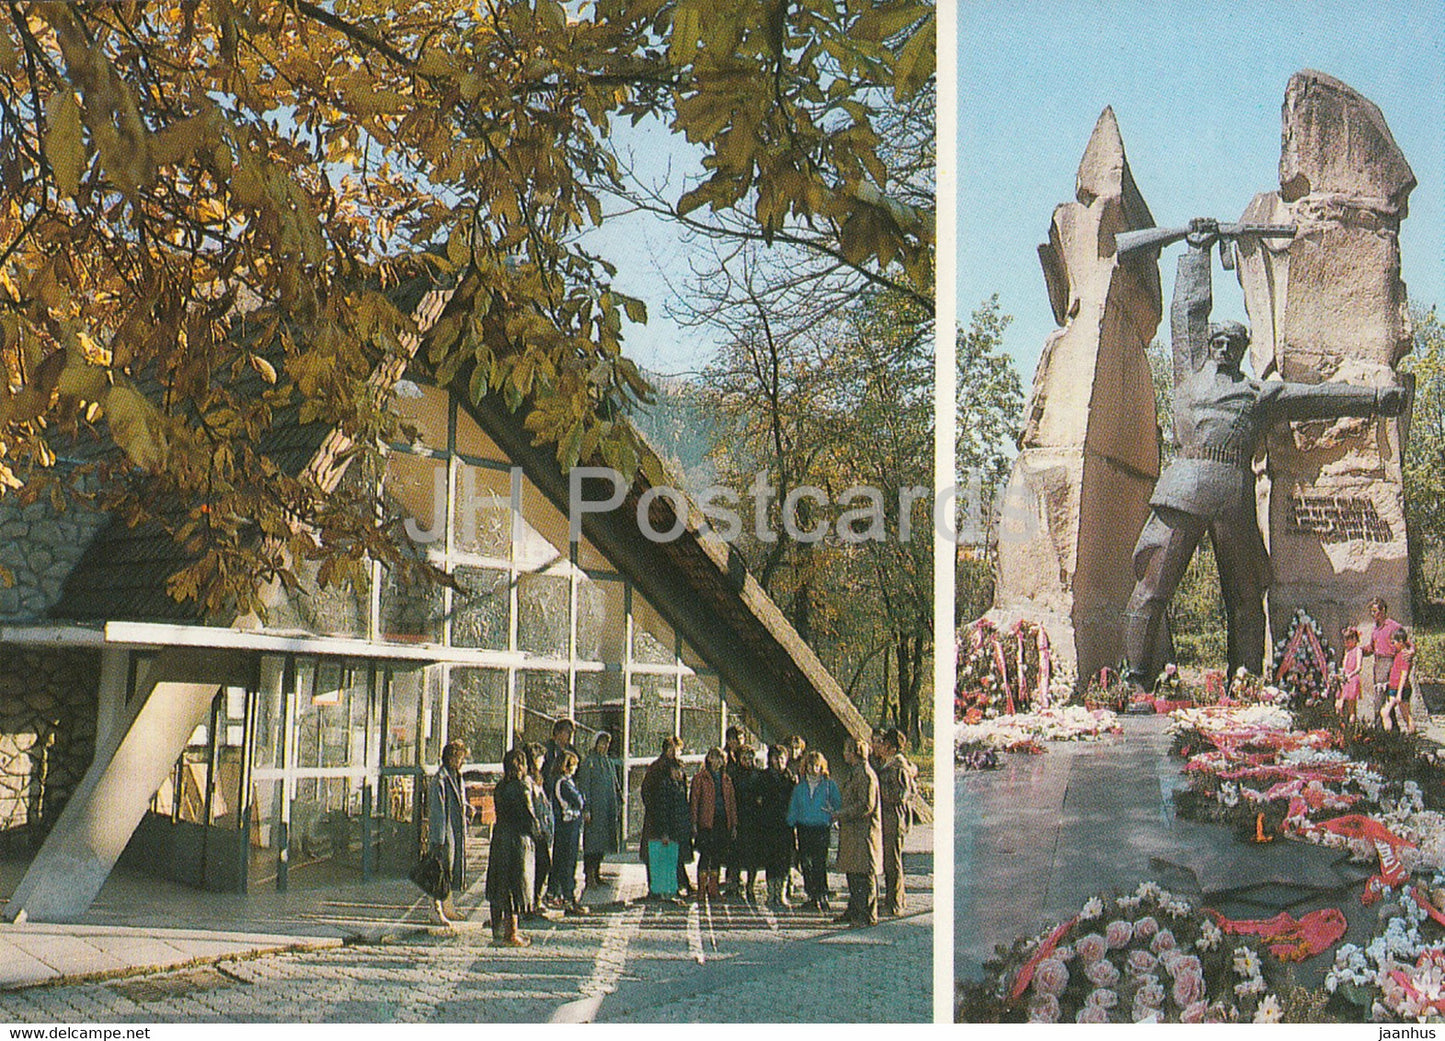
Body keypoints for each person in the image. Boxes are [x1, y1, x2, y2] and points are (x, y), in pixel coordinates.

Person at [1122, 218, 1406, 686]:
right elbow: (1187, 313)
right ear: (1209, 345)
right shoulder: (1190, 373)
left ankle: (1247, 678)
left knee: (1246, 594)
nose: (1225, 348)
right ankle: (1134, 678)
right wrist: (1196, 252)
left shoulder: (1258, 394)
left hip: (1233, 495)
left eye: (1234, 343)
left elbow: (1314, 397)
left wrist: (1375, 400)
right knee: (1152, 587)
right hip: (1186, 489)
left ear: (1243, 348)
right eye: (1218, 341)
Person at [486, 748, 537, 946]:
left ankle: (497, 930)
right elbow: (529, 818)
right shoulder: (522, 787)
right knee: (515, 887)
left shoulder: (500, 786)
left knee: (500, 886)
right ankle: (511, 933)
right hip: (517, 842)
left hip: (500, 838)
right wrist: (540, 835)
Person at [835, 737, 881, 927]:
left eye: (847, 750)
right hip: (853, 832)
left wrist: (841, 814)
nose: (844, 754)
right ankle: (854, 909)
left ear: (855, 753)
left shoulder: (865, 775)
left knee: (863, 874)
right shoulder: (855, 773)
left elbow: (866, 805)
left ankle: (865, 915)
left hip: (863, 833)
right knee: (853, 873)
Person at [786, 749, 840, 911]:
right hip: (804, 827)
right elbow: (794, 806)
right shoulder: (800, 786)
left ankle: (821, 894)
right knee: (806, 863)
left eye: (816, 765)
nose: (813, 769)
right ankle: (811, 895)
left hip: (821, 827)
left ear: (821, 766)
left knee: (819, 863)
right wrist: (791, 823)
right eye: (810, 765)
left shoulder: (829, 785)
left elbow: (837, 804)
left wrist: (831, 816)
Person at [640, 736, 691, 896]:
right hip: (658, 815)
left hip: (672, 817)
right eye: (676, 749)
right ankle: (656, 887)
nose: (678, 752)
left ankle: (677, 883)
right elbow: (647, 791)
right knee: (656, 852)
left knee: (673, 852)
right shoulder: (658, 768)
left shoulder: (676, 767)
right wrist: (655, 809)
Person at [875, 727, 917, 916]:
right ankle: (895, 899)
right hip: (890, 819)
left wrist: (879, 792)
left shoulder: (897, 767)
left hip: (894, 820)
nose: (881, 747)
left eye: (884, 744)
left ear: (892, 748)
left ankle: (894, 903)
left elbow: (902, 795)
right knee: (891, 862)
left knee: (893, 863)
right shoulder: (890, 764)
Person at [427, 739, 469, 926]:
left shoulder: (456, 777)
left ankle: (448, 907)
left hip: (454, 832)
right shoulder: (440, 780)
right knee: (439, 871)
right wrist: (437, 840)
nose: (462, 762)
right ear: (452, 758)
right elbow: (437, 812)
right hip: (444, 835)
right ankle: (435, 910)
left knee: (449, 870)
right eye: (460, 758)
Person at [690, 746, 738, 900]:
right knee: (705, 854)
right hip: (706, 822)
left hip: (721, 820)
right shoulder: (700, 778)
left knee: (717, 855)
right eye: (715, 758)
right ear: (709, 759)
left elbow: (731, 803)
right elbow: (695, 801)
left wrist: (733, 823)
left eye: (720, 758)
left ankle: (713, 889)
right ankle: (701, 890)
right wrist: (694, 822)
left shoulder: (726, 779)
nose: (718, 761)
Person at [576, 731, 622, 888]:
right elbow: (584, 786)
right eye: (601, 743)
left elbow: (614, 784)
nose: (604, 746)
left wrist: (618, 801)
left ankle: (597, 873)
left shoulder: (607, 762)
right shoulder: (589, 762)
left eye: (606, 744)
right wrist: (586, 808)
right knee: (592, 844)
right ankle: (589, 875)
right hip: (594, 810)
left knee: (602, 843)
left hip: (606, 810)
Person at [755, 744, 796, 907]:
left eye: (782, 758)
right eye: (775, 758)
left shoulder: (790, 778)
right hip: (769, 823)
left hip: (785, 824)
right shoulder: (764, 777)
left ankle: (782, 892)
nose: (779, 762)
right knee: (770, 859)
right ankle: (771, 893)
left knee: (784, 860)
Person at [548, 750, 588, 914]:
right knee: (568, 861)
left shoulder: (562, 781)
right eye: (574, 765)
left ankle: (555, 893)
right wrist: (581, 799)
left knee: (560, 860)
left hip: (566, 825)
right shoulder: (563, 783)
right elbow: (578, 801)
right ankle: (568, 897)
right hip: (568, 825)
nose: (576, 769)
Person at [524, 742, 556, 918]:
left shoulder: (538, 777)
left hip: (542, 829)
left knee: (543, 865)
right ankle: (533, 900)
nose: (543, 761)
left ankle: (536, 899)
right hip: (535, 830)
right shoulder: (527, 780)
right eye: (540, 757)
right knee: (540, 865)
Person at [1362, 597, 1404, 728]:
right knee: (1385, 705)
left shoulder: (1393, 626)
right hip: (1378, 665)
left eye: (1375, 611)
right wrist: (1359, 650)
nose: (1373, 615)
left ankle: (1379, 734)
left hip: (1389, 664)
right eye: (1371, 612)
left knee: (1380, 703)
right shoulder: (1375, 629)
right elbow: (1371, 648)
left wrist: (1411, 651)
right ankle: (1393, 735)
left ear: (1383, 610)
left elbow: (1406, 644)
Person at [733, 745, 765, 900]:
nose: (747, 761)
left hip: (755, 818)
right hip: (739, 817)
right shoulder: (734, 775)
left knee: (754, 855)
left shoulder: (758, 774)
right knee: (737, 854)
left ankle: (750, 885)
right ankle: (736, 884)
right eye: (744, 758)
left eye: (750, 758)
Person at [1382, 627, 1416, 733]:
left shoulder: (1405, 656)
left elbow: (1404, 675)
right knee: (1384, 712)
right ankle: (1389, 736)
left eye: (1395, 642)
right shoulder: (1398, 654)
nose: (1393, 644)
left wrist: (1399, 693)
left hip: (1402, 689)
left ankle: (1412, 736)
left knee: (1406, 715)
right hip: (1394, 688)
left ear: (1401, 642)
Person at [1338, 627, 1363, 725]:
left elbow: (1358, 667)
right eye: (1345, 641)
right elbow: (1344, 666)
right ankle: (1344, 726)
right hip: (1345, 679)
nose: (1347, 643)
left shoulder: (1358, 650)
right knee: (1340, 705)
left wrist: (1349, 675)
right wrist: (1341, 675)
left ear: (1355, 640)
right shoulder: (1346, 651)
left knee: (1351, 708)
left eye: (1349, 640)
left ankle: (1352, 727)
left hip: (1352, 679)